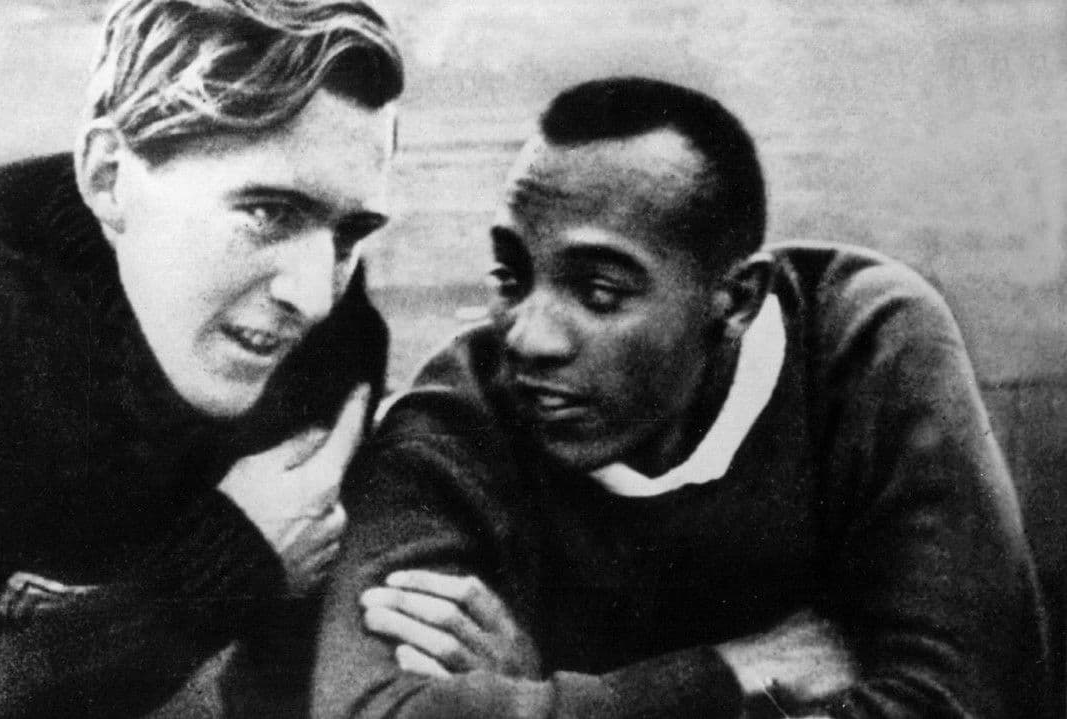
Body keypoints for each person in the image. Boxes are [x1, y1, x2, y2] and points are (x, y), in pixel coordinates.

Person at [311, 77, 1050, 718]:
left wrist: (535, 699)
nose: (527, 337)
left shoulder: (864, 344)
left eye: (599, 291)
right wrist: (715, 678)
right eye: (512, 277)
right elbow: (368, 711)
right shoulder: (456, 415)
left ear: (735, 300)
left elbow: (958, 701)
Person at [0, 0, 402, 716]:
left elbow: (290, 693)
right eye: (269, 213)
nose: (314, 296)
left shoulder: (335, 340)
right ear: (109, 176)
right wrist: (224, 570)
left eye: (349, 233)